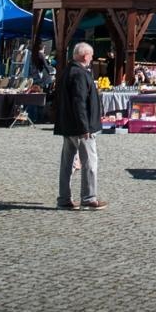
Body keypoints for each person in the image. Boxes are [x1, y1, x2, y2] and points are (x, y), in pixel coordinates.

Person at [54, 42, 106, 209]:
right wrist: (85, 127)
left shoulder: (68, 70)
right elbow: (79, 102)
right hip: (81, 127)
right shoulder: (80, 74)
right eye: (91, 56)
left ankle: (64, 198)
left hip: (68, 125)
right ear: (85, 56)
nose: (91, 59)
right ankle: (89, 197)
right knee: (89, 162)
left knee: (67, 163)